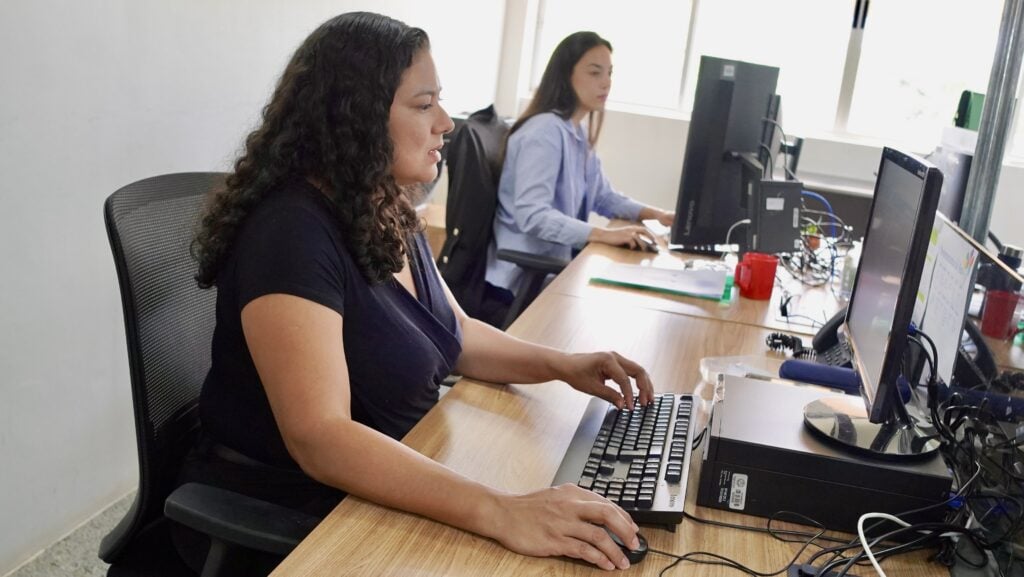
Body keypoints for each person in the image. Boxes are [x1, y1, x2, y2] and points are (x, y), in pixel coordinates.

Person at [184, 12, 654, 574]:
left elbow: (456, 334)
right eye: (423, 103)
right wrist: (500, 510)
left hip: (399, 466)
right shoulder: (291, 231)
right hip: (305, 512)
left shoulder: (385, 208)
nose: (447, 122)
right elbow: (320, 437)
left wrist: (563, 365)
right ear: (353, 115)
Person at [485, 31, 675, 309]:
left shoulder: (574, 131)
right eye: (595, 73)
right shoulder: (544, 133)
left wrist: (657, 214)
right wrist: (602, 234)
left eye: (609, 73)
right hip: (523, 278)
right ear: (565, 75)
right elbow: (532, 214)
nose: (606, 83)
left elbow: (603, 196)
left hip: (554, 269)